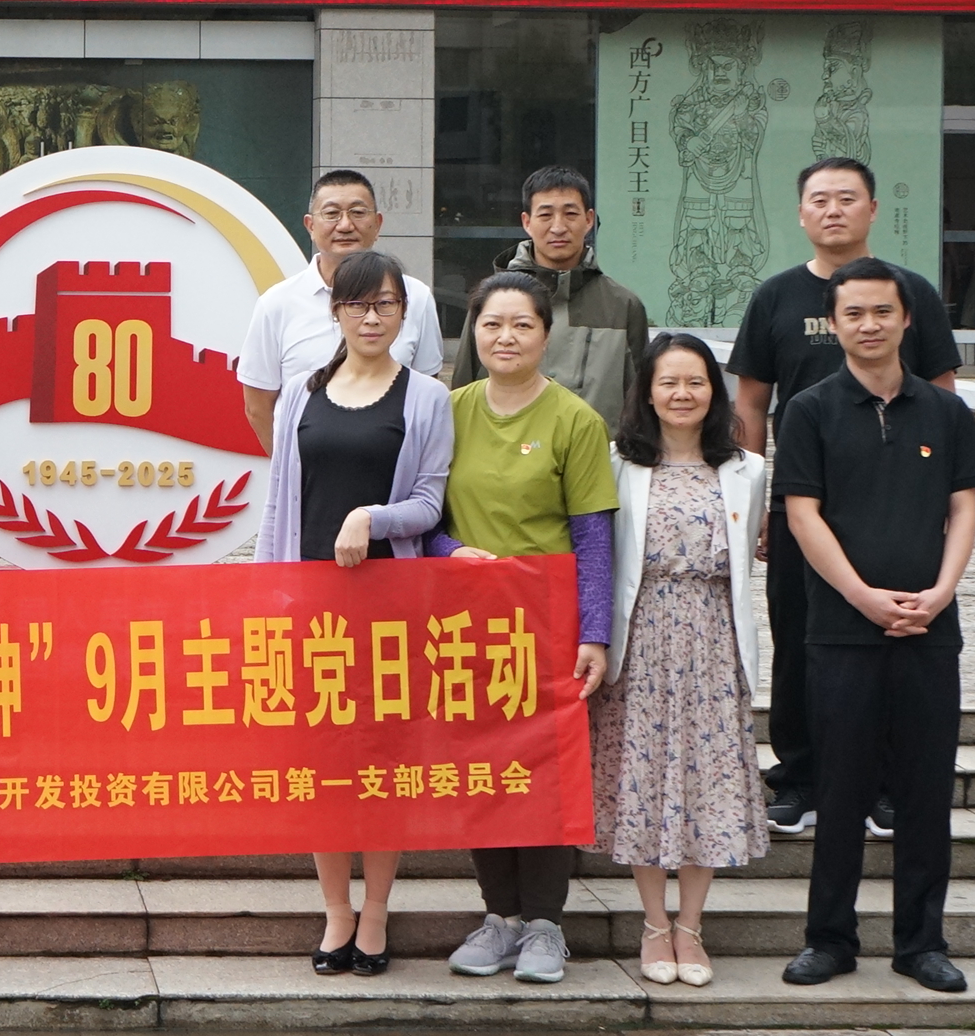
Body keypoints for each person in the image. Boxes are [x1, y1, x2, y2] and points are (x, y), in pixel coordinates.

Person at [772, 260, 975, 996]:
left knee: (926, 791)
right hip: (841, 631)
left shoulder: (945, 412)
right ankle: (828, 938)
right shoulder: (809, 410)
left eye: (882, 312)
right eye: (854, 314)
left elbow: (963, 506)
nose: (869, 325)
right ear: (834, 325)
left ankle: (922, 943)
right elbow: (802, 514)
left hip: (930, 629)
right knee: (839, 790)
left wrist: (941, 592)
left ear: (907, 320)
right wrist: (861, 596)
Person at [726, 156, 959, 837]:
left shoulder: (911, 293)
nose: (833, 210)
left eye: (848, 198)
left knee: (893, 640)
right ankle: (800, 777)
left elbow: (942, 396)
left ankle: (885, 784)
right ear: (801, 213)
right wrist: (755, 503)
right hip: (801, 502)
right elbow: (751, 404)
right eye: (820, 199)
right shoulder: (775, 297)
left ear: (873, 210)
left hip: (896, 507)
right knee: (800, 638)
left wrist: (940, 502)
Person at [253, 249, 455, 978]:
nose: (372, 317)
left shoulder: (426, 399)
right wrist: (267, 598)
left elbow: (430, 503)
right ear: (336, 312)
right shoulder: (299, 394)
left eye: (386, 305)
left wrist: (372, 516)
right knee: (324, 766)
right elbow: (278, 505)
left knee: (384, 764)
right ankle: (336, 908)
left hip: (388, 611)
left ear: (405, 313)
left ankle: (375, 909)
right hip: (312, 610)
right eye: (358, 304)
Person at [435, 272, 615, 987]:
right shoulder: (448, 411)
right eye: (492, 324)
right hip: (466, 624)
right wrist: (449, 552)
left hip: (546, 625)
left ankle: (544, 925)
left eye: (522, 325)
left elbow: (593, 537)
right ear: (473, 333)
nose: (505, 337)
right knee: (483, 770)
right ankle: (499, 917)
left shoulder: (575, 420)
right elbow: (424, 515)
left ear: (546, 334)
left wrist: (594, 633)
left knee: (544, 774)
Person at [593, 332, 770, 989]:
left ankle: (690, 926)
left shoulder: (747, 469)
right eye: (667, 382)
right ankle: (652, 922)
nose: (681, 394)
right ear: (646, 392)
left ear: (713, 392)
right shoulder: (617, 462)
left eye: (695, 382)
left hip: (713, 642)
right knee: (643, 778)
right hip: (641, 638)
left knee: (707, 780)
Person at [241, 170, 444, 452]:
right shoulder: (276, 304)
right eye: (332, 214)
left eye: (358, 213)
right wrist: (291, 468)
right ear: (310, 225)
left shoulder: (415, 297)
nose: (345, 225)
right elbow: (258, 407)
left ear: (378, 223)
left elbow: (426, 394)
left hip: (395, 469)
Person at [446, 168, 654, 433]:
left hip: (596, 454)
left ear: (589, 219)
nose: (558, 227)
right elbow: (464, 392)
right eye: (545, 215)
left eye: (570, 214)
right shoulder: (492, 302)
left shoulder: (622, 307)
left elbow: (641, 404)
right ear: (526, 221)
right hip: (504, 453)